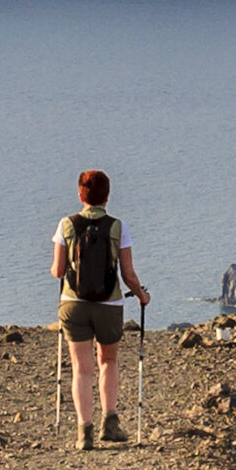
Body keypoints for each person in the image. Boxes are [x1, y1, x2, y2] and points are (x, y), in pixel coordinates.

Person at [53, 170, 147, 447]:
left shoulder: (65, 225)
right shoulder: (118, 227)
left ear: (80, 195)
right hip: (109, 303)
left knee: (81, 369)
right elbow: (128, 274)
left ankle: (85, 432)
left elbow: (58, 270)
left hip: (74, 303)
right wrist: (142, 296)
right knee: (108, 361)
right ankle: (111, 423)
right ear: (107, 195)